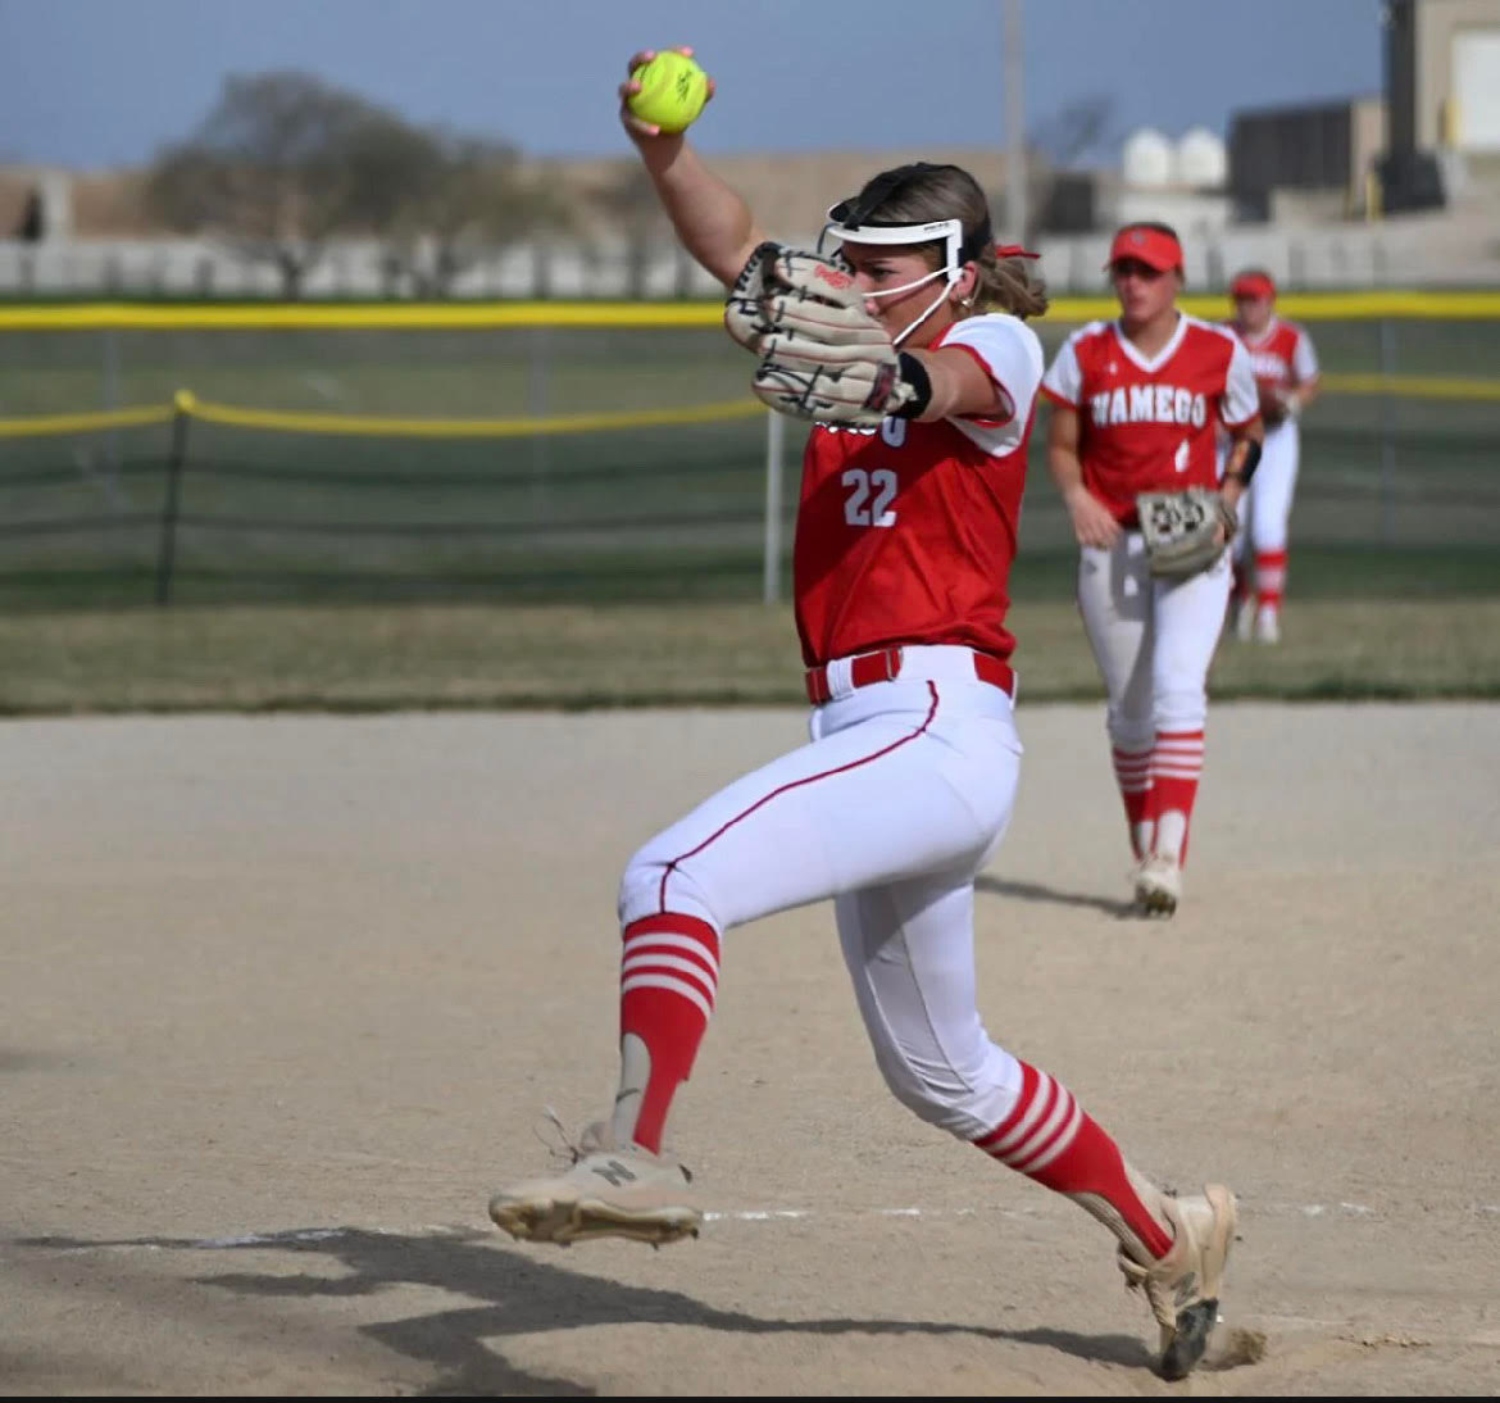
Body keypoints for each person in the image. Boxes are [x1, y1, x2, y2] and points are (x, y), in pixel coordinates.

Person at [486, 50, 1239, 1383]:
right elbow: (739, 254)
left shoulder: (994, 335)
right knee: (943, 1072)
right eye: (853, 264)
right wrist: (664, 155)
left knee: (668, 873)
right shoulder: (864, 332)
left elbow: (964, 382)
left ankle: (637, 1149)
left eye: (882, 269)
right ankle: (1168, 1233)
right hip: (880, 742)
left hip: (932, 720)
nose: (853, 289)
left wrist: (896, 379)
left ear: (953, 263)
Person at [1039, 222, 1264, 917]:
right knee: (1130, 713)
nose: (1134, 283)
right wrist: (1076, 497)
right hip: (1113, 541)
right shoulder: (1086, 351)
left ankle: (1169, 851)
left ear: (1176, 279)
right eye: (1124, 271)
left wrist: (1227, 499)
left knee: (1177, 686)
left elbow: (1248, 434)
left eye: (1149, 271)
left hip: (1191, 542)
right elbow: (1063, 446)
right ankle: (1146, 852)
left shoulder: (1216, 349)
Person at [1222, 268, 1321, 644]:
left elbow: (1310, 380)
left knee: (1268, 527)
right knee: (1232, 530)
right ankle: (1239, 604)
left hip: (1277, 440)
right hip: (1235, 438)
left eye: (1255, 299)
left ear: (1270, 301)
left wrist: (1292, 401)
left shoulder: (1291, 337)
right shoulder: (1224, 335)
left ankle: (1268, 615)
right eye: (1242, 299)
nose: (1248, 307)